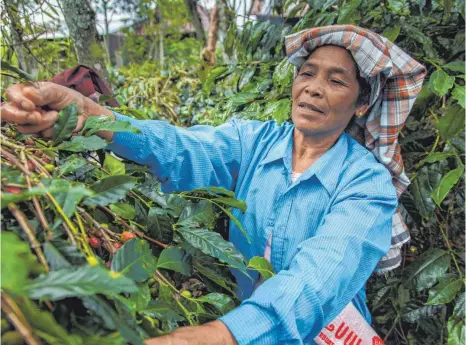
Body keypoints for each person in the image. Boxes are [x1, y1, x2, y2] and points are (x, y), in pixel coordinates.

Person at [1, 25, 426, 345]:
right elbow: (179, 147)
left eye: (336, 81)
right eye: (308, 73)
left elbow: (318, 279)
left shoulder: (367, 183)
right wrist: (88, 114)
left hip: (324, 332)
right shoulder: (258, 143)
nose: (313, 89)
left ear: (362, 102)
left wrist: (223, 335)